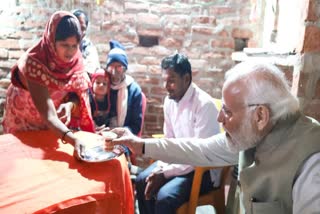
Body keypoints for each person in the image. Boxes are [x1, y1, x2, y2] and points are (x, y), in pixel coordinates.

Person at [111, 61, 320, 214]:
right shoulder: (254, 132)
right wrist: (140, 145)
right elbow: (198, 148)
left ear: (260, 115)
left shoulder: (311, 165)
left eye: (228, 111)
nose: (220, 117)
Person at [135, 53, 221, 214]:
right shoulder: (170, 101)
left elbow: (199, 155)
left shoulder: (204, 105)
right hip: (180, 160)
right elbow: (169, 141)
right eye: (164, 80)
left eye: (172, 80)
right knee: (141, 180)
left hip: (204, 169)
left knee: (165, 196)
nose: (167, 86)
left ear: (187, 79)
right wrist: (160, 169)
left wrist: (165, 173)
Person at [2, 11, 95, 158]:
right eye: (64, 45)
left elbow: (76, 94)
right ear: (52, 41)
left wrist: (70, 105)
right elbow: (49, 115)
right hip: (23, 118)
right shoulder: (34, 62)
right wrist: (74, 139)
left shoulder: (76, 62)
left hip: (52, 124)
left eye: (74, 45)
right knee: (24, 160)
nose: (70, 52)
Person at [106, 40, 143, 136]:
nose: (114, 72)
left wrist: (118, 133)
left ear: (125, 68)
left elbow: (136, 126)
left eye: (119, 66)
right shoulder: (103, 85)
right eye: (111, 66)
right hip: (102, 134)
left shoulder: (134, 90)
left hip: (125, 137)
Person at [72, 9, 100, 76]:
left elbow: (91, 71)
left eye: (82, 28)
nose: (78, 31)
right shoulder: (60, 45)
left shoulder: (89, 49)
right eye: (75, 26)